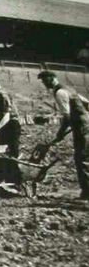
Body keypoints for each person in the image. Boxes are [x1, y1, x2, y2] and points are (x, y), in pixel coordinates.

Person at [36, 71, 89, 200]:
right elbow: (86, 103)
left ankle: (87, 192)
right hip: (85, 124)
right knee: (86, 156)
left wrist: (60, 133)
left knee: (81, 158)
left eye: (44, 80)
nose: (44, 84)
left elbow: (67, 117)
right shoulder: (69, 89)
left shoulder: (59, 92)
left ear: (52, 78)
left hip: (81, 128)